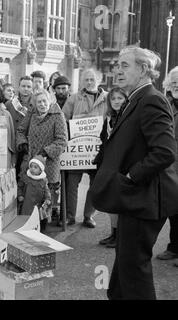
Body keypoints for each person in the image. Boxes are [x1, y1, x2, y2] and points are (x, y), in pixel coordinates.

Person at [89, 47, 178, 300]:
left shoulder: (152, 99)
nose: (117, 69)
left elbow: (165, 152)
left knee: (134, 268)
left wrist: (131, 177)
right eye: (117, 64)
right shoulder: (136, 98)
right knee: (125, 265)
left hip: (144, 200)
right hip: (136, 200)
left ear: (143, 69)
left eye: (125, 65)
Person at [61, 68, 108, 228]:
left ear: (99, 80)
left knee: (95, 184)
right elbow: (63, 119)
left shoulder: (107, 98)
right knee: (72, 183)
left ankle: (88, 216)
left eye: (92, 79)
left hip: (97, 148)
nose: (89, 82)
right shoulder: (74, 98)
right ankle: (70, 216)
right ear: (82, 82)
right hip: (77, 148)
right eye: (86, 79)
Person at [16, 89, 67, 221]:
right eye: (39, 102)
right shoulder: (31, 114)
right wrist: (23, 143)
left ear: (49, 101)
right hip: (31, 160)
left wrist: (45, 152)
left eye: (44, 101)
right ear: (35, 104)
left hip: (49, 162)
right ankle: (30, 220)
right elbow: (21, 130)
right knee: (30, 193)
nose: (42, 104)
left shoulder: (57, 115)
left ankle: (44, 221)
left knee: (46, 194)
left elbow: (62, 140)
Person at [93, 87, 128, 248]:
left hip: (122, 165)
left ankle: (120, 235)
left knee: (119, 203)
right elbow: (103, 141)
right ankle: (113, 233)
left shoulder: (128, 117)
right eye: (113, 99)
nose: (116, 101)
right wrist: (99, 160)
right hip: (108, 164)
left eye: (120, 98)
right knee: (110, 201)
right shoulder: (108, 118)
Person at [155, 66, 178, 265]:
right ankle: (174, 247)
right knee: (173, 209)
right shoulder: (166, 102)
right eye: (174, 80)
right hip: (171, 165)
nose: (176, 84)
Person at [17, 155, 51, 233]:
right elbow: (19, 186)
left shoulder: (43, 180)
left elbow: (46, 190)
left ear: (40, 170)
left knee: (37, 217)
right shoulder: (25, 177)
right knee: (25, 217)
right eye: (31, 166)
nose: (32, 169)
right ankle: (25, 230)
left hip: (38, 204)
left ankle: (38, 230)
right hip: (27, 203)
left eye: (35, 167)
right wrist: (20, 195)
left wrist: (47, 198)